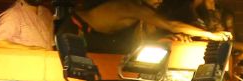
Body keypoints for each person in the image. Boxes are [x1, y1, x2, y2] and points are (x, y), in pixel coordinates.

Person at [67, 0, 229, 54]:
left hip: (100, 43)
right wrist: (210, 35)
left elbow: (147, 39)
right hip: (76, 33)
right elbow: (171, 25)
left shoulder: (142, 14)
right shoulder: (130, 7)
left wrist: (164, 38)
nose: (160, 1)